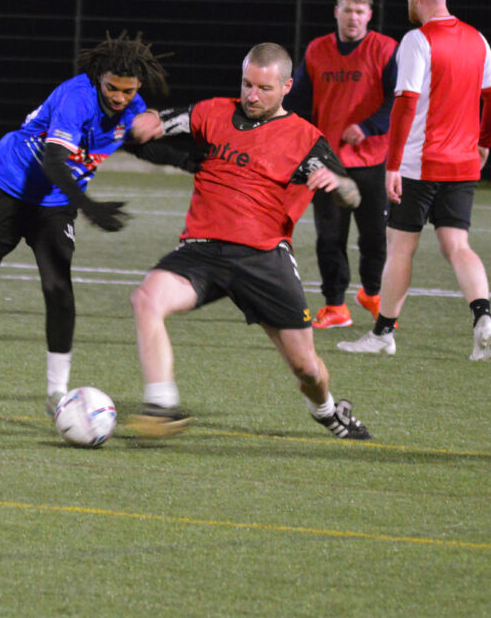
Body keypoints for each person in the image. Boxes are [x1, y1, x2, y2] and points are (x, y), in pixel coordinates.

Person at [0, 32, 185, 419]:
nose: (119, 98)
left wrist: (192, 164)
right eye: (112, 88)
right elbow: (54, 160)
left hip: (53, 204)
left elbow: (139, 144)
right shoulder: (76, 97)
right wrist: (88, 206)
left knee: (59, 291)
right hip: (5, 188)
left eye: (128, 90)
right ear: (98, 77)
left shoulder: (132, 106)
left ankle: (58, 395)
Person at [126, 42, 371, 440]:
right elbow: (162, 121)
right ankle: (161, 406)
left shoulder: (305, 140)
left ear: (287, 86)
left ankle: (327, 410)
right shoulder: (212, 113)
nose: (252, 96)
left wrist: (340, 183)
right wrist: (147, 121)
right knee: (146, 299)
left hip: (264, 258)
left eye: (264, 88)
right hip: (202, 249)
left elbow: (353, 194)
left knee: (307, 369)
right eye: (247, 85)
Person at [337, 0, 491, 360]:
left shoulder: (417, 40)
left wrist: (392, 165)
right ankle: (483, 317)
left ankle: (383, 334)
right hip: (463, 164)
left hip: (419, 165)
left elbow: (406, 102)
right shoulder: (477, 38)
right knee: (458, 245)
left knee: (400, 248)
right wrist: (484, 143)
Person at [285, 0, 398, 329]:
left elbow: (398, 102)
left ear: (370, 16)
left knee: (375, 237)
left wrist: (367, 127)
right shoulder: (318, 50)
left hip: (372, 160)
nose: (353, 18)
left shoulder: (385, 49)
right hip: (328, 162)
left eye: (360, 11)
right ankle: (336, 306)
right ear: (336, 11)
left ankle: (374, 294)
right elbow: (300, 100)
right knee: (330, 238)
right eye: (348, 10)